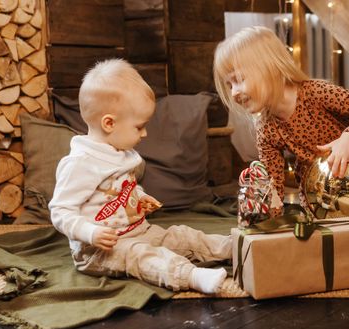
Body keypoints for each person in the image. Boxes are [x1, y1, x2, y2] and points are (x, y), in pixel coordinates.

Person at [213, 26, 349, 250]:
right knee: (328, 242)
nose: (233, 93)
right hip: (323, 201)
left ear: (269, 67)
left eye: (238, 80)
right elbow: (273, 186)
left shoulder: (314, 93)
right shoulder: (266, 128)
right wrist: (263, 218)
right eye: (229, 85)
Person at [49, 59, 231, 293]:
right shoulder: (80, 164)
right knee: (141, 256)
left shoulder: (122, 154)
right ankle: (190, 276)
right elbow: (60, 211)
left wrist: (139, 196)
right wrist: (90, 233)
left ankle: (233, 249)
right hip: (99, 250)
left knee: (181, 236)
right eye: (139, 126)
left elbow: (124, 188)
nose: (145, 133)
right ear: (109, 123)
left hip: (139, 231)